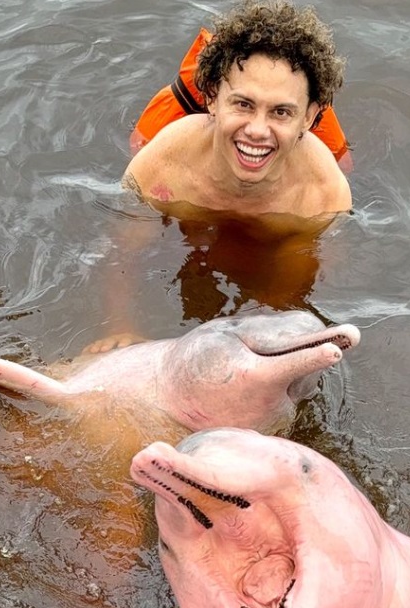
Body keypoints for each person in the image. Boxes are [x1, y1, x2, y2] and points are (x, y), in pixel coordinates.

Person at [90, 0, 351, 352]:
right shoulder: (162, 164)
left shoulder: (322, 197)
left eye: (281, 112)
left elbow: (289, 303)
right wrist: (119, 327)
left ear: (308, 118)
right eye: (243, 104)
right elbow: (122, 253)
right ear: (212, 97)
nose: (257, 131)